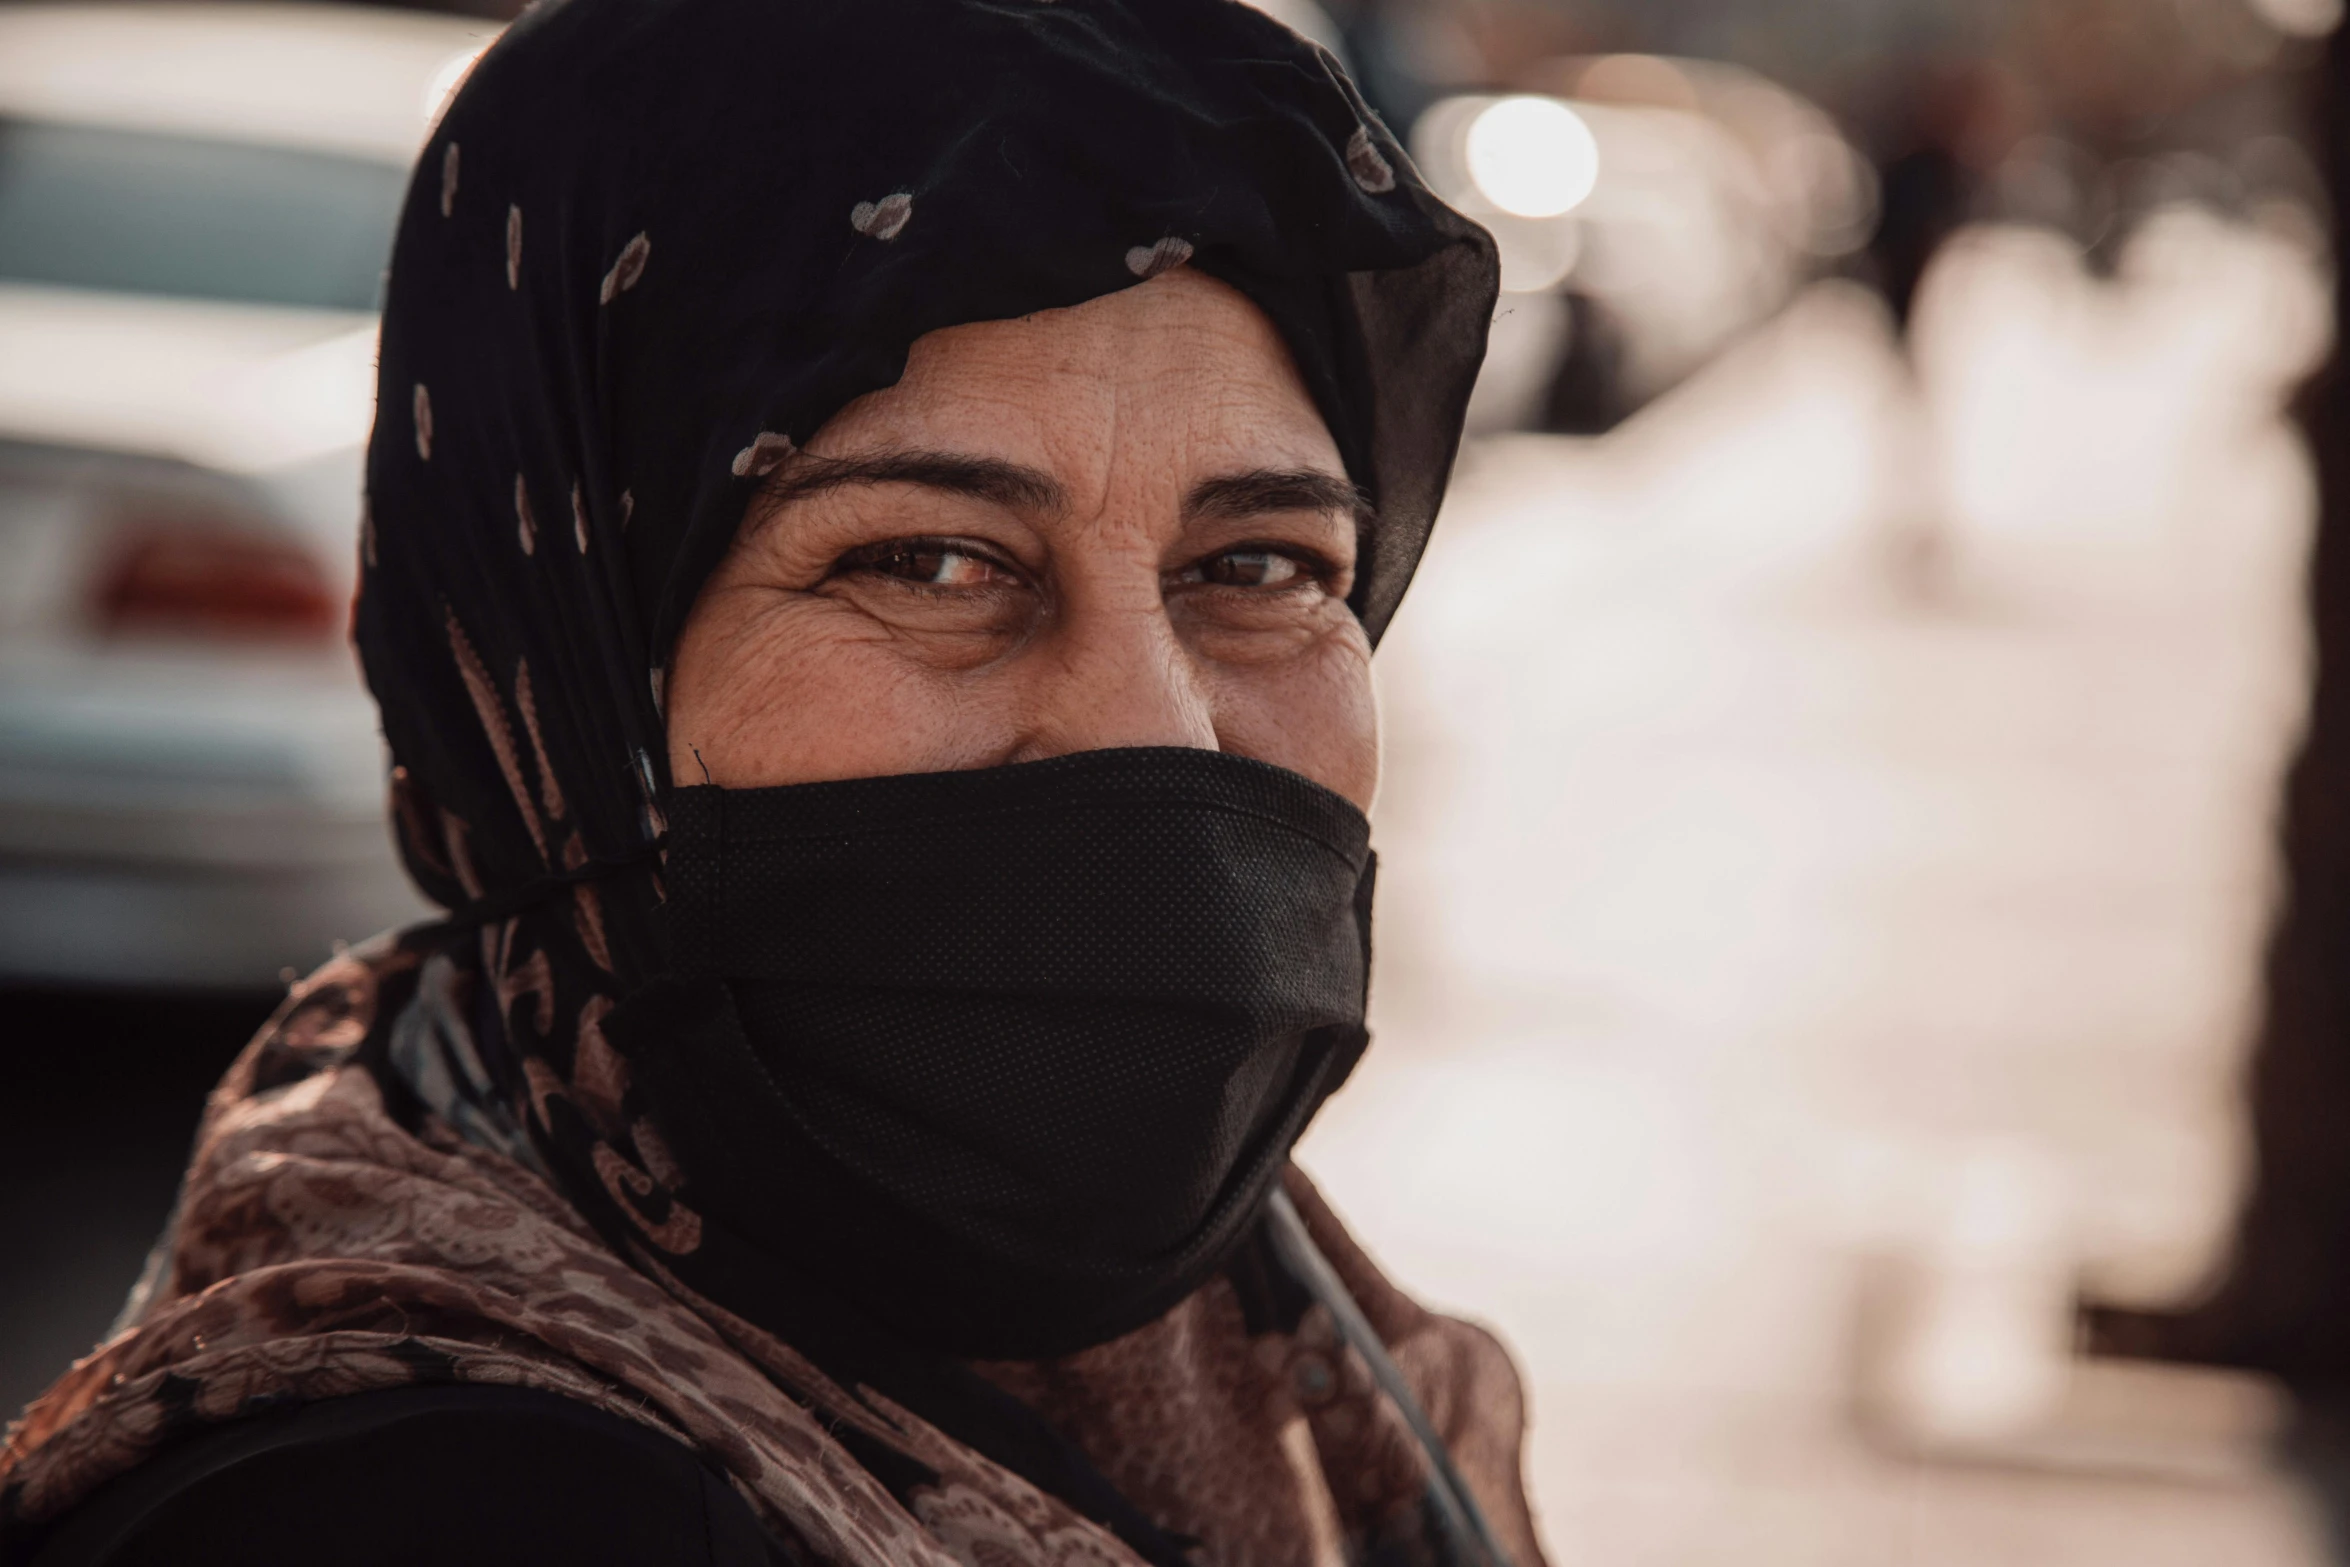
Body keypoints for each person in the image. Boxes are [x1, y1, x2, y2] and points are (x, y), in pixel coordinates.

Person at [0, 0, 1533, 1562]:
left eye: (1260, 563)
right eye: (926, 560)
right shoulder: (438, 1512)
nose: (1158, 727)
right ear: (566, 666)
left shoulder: (1235, 1337)